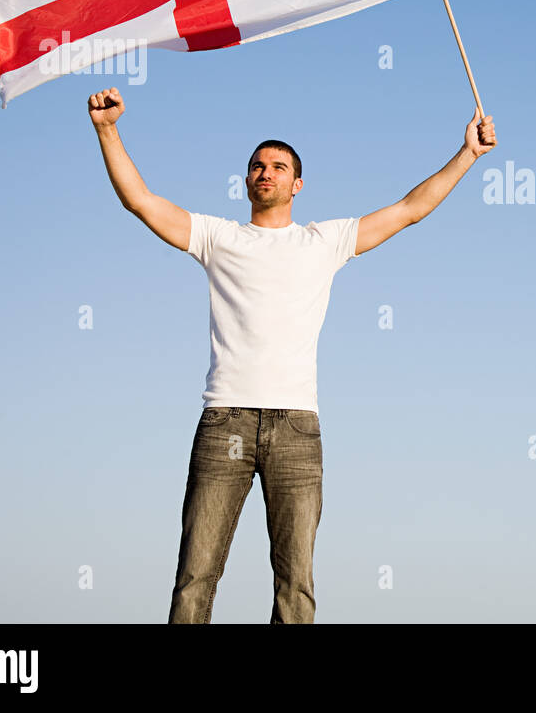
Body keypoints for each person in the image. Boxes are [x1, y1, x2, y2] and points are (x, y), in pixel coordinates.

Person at [86, 86, 497, 622]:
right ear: (246, 180)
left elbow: (409, 210)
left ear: (297, 184)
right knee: (195, 577)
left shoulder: (322, 241)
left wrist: (467, 152)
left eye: (278, 167)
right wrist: (107, 130)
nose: (266, 173)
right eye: (257, 166)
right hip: (225, 422)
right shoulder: (218, 237)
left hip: (297, 429)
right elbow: (140, 200)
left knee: (296, 585)